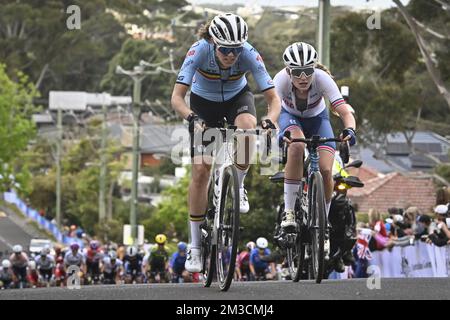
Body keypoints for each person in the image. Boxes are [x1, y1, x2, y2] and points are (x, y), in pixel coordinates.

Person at [171, 13, 281, 273]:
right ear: (212, 41)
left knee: (246, 128)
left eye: (236, 50)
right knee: (200, 171)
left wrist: (270, 121)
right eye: (225, 50)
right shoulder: (199, 50)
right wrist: (193, 118)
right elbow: (177, 97)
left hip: (237, 99)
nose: (231, 55)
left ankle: (238, 185)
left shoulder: (249, 54)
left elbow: (273, 100)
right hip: (202, 104)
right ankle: (196, 245)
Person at [273, 42, 357, 260]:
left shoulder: (322, 79)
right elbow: (272, 113)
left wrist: (349, 129)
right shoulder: (280, 80)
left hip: (318, 120)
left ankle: (323, 220)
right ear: (288, 71)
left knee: (326, 171)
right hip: (288, 117)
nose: (303, 77)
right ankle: (290, 213)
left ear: (314, 69)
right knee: (297, 144)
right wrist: (276, 132)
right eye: (297, 72)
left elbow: (344, 110)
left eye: (308, 71)